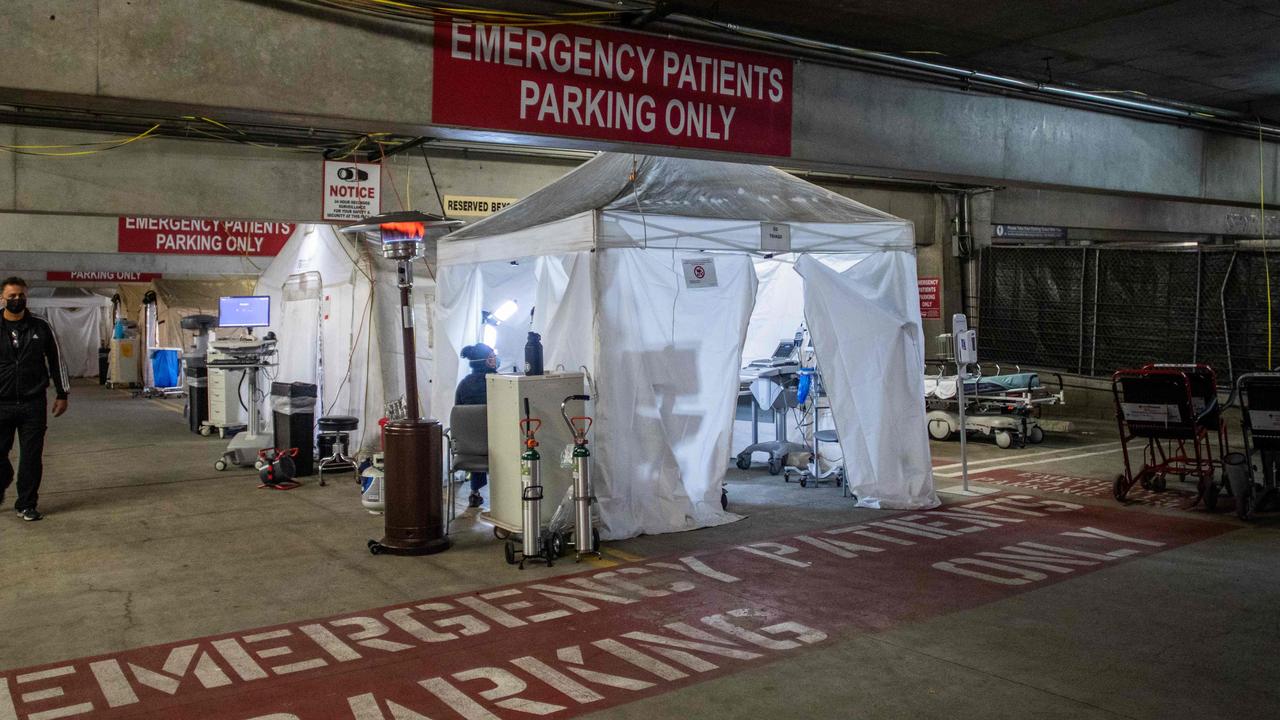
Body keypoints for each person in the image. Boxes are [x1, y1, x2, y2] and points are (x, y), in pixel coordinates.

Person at [0, 277, 69, 521]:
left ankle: (26, 504)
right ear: (2, 298)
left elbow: (56, 359)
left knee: (31, 456)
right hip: (2, 403)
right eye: (12, 296)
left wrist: (62, 393)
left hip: (32, 403)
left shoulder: (41, 325)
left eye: (21, 295)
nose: (17, 300)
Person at [455, 343, 497, 508]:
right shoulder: (498, 383)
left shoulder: (463, 385)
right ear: (484, 361)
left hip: (469, 448)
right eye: (492, 358)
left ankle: (475, 492)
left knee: (477, 435)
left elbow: (458, 414)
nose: (495, 360)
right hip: (496, 444)